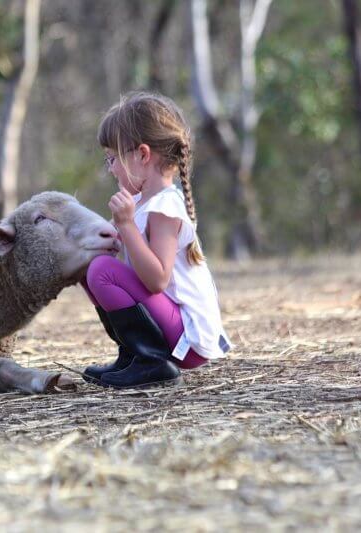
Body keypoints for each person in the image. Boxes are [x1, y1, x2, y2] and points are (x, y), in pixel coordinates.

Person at [81, 91, 232, 388]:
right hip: (169, 323)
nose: (110, 168)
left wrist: (126, 225)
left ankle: (152, 362)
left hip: (187, 339)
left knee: (101, 270)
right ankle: (133, 356)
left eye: (112, 159)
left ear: (142, 155)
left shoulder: (164, 208)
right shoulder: (142, 203)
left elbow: (158, 279)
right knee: (90, 269)